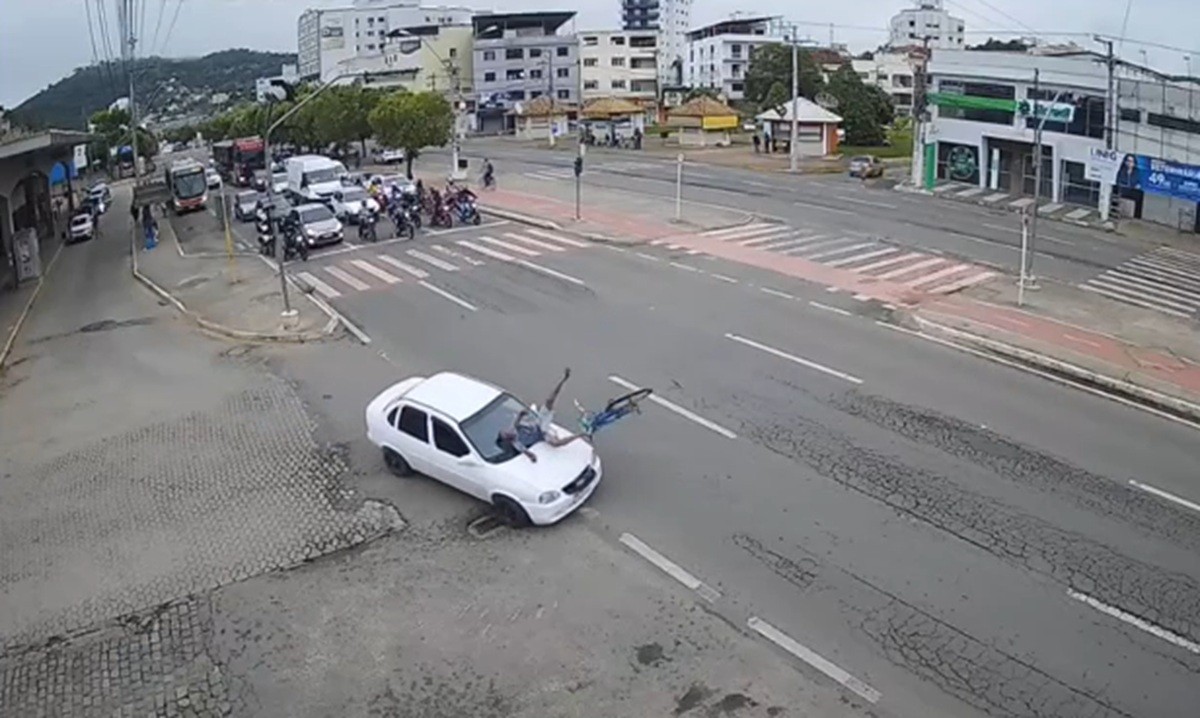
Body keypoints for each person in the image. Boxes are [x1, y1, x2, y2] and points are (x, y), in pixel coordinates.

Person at [498, 368, 587, 463]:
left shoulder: (513, 427)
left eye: (506, 432)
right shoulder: (517, 444)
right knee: (556, 443)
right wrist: (532, 457)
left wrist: (522, 413)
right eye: (507, 436)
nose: (508, 433)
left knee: (549, 400)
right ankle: (581, 435)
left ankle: (564, 379)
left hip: (538, 423)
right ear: (508, 440)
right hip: (542, 434)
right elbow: (527, 453)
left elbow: (518, 417)